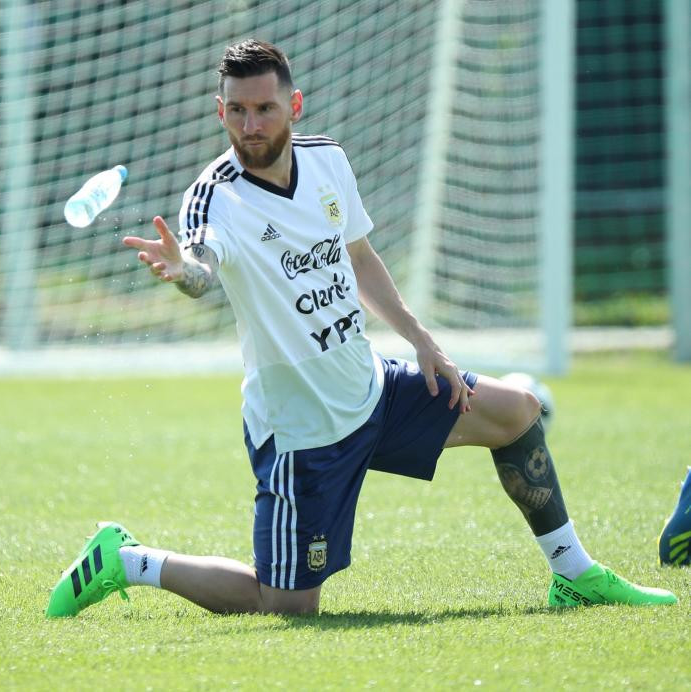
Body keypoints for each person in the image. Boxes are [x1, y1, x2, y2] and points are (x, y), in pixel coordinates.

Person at [46, 39, 676, 617]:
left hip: (373, 389)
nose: (251, 125)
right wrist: (183, 271)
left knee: (517, 411)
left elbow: (361, 258)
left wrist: (421, 340)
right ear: (220, 111)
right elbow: (203, 269)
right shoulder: (214, 197)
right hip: (303, 430)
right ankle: (127, 560)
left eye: (264, 108)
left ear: (293, 103)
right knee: (284, 606)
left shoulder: (328, 162)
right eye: (236, 111)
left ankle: (574, 574)